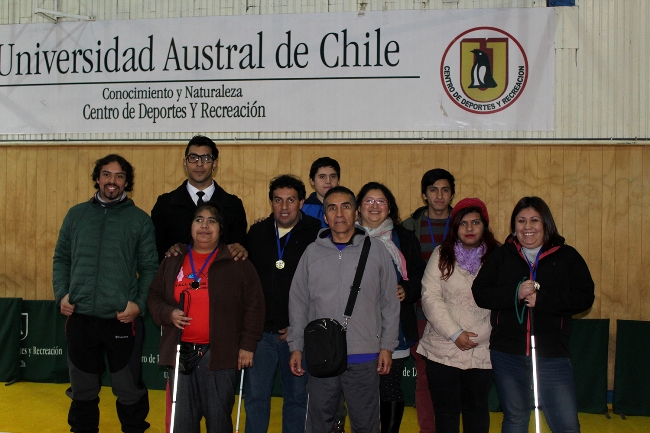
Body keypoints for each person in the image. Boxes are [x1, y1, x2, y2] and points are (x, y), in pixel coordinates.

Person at [52, 154, 158, 433]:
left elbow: (150, 268)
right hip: (81, 318)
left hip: (121, 319)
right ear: (97, 178)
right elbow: (61, 258)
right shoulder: (76, 215)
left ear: (127, 182)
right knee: (82, 391)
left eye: (119, 176)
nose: (113, 181)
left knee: (128, 390)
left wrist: (139, 304)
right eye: (107, 175)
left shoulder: (140, 221)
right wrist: (61, 294)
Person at [472, 196, 595, 433]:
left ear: (546, 223)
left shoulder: (567, 256)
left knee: (567, 424)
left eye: (534, 220)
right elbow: (480, 292)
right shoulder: (502, 255)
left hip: (552, 354)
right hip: (508, 353)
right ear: (514, 225)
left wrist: (544, 300)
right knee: (516, 419)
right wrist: (514, 293)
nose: (527, 227)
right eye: (521, 221)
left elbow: (584, 296)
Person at [287, 186, 400, 433]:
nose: (339, 214)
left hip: (365, 355)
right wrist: (296, 346)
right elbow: (299, 302)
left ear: (356, 212)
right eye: (332, 208)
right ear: (325, 217)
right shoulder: (312, 253)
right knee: (320, 424)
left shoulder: (377, 251)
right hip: (322, 356)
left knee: (366, 425)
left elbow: (390, 303)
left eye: (346, 206)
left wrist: (387, 347)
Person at [148, 203, 265, 433]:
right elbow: (154, 296)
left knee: (219, 421)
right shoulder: (173, 259)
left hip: (220, 356)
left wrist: (248, 346)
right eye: (199, 220)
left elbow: (255, 305)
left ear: (221, 229)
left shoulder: (237, 262)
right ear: (190, 226)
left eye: (211, 221)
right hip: (180, 353)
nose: (204, 226)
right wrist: (167, 313)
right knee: (182, 423)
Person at [244, 175, 321, 433]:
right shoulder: (256, 233)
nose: (284, 207)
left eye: (291, 200)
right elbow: (247, 285)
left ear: (301, 202)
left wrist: (299, 327)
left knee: (298, 399)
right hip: (261, 335)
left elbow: (321, 287)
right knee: (255, 399)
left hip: (297, 336)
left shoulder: (317, 234)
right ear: (271, 203)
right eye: (278, 200)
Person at [417, 198, 499, 433]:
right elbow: (430, 297)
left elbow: (503, 303)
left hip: (482, 348)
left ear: (485, 225)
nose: (470, 228)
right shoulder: (441, 254)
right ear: (455, 227)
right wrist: (455, 334)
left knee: (477, 412)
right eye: (463, 223)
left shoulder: (498, 256)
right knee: (445, 414)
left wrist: (478, 336)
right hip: (442, 348)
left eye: (475, 222)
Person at [355, 182, 426, 433]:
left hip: (393, 327)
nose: (374, 206)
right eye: (368, 201)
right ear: (358, 207)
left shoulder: (404, 238)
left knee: (390, 386)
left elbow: (419, 277)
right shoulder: (344, 236)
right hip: (356, 328)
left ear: (390, 208)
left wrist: (407, 290)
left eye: (381, 201)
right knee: (361, 389)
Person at [402, 167, 456, 433]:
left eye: (445, 190)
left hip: (459, 316)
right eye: (433, 190)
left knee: (455, 380)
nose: (439, 195)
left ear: (451, 194)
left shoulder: (465, 225)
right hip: (421, 316)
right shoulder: (408, 228)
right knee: (424, 380)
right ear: (424, 194)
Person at [151, 135, 248, 263]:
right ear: (184, 163)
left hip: (219, 279)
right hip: (177, 280)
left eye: (206, 158)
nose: (199, 164)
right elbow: (155, 252)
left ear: (215, 164)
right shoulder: (165, 205)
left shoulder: (233, 205)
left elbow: (239, 250)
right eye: (193, 158)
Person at [302, 156, 340, 227]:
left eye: (333, 176)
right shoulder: (302, 209)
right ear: (312, 181)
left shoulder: (347, 207)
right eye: (322, 177)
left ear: (338, 181)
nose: (328, 181)